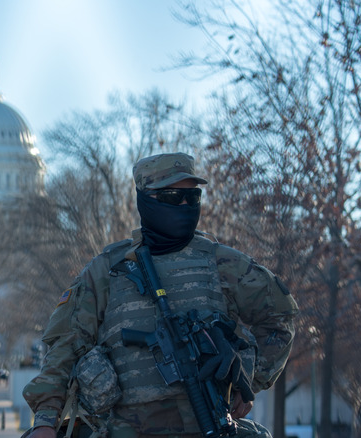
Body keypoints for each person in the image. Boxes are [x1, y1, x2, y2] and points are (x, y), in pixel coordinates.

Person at [22, 152, 299, 438]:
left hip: (210, 426)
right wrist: (45, 421)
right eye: (170, 197)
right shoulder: (106, 271)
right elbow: (64, 347)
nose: (183, 204)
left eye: (191, 198)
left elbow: (281, 316)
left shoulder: (223, 264)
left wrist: (248, 377)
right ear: (144, 200)